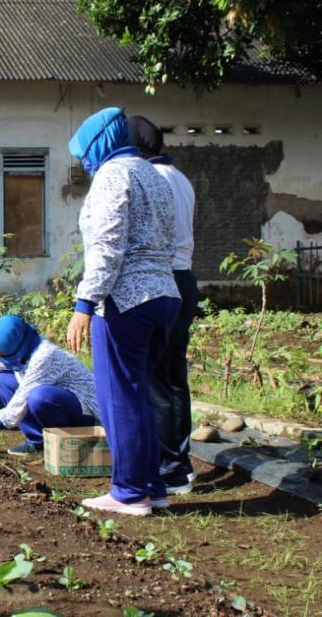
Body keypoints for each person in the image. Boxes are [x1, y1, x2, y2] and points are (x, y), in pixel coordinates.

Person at [65, 108, 181, 517]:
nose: (83, 162)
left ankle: (130, 492)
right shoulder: (153, 173)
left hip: (125, 299)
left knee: (118, 398)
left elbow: (108, 245)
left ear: (100, 145)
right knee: (139, 396)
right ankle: (153, 485)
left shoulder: (113, 175)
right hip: (164, 294)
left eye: (84, 152)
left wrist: (85, 302)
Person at [129, 115, 198, 494]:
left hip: (165, 279)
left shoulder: (153, 180)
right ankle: (178, 463)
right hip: (183, 277)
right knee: (171, 378)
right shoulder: (180, 178)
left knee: (158, 380)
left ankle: (171, 467)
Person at [0, 315, 100, 457]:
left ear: (19, 343)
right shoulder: (11, 351)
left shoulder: (44, 356)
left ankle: (69, 443)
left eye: (2, 352)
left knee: (39, 397)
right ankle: (37, 441)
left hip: (86, 410)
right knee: (3, 380)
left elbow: (13, 412)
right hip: (63, 401)